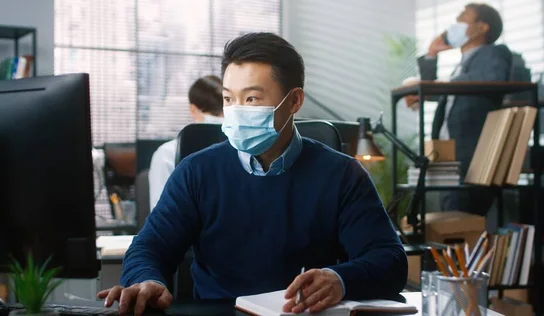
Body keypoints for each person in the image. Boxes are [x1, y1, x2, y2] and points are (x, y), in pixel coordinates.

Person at [98, 32, 407, 315]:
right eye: (229, 99)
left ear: (295, 101)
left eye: (252, 99)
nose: (237, 110)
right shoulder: (196, 171)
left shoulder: (342, 174)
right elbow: (149, 246)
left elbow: (389, 260)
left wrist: (340, 279)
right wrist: (145, 278)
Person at [406, 3, 511, 215]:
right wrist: (432, 53)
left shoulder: (493, 53)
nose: (456, 24)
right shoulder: (462, 66)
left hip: (472, 153)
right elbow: (435, 91)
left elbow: (492, 79)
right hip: (449, 153)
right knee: (450, 217)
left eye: (463, 17)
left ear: (482, 27)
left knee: (463, 217)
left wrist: (442, 84)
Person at [148, 75, 224, 210]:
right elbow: (161, 213)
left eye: (221, 112)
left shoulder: (241, 147)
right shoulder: (168, 154)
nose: (219, 120)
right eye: (212, 113)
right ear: (193, 110)